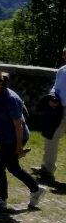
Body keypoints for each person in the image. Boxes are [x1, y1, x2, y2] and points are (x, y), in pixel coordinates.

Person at [0, 69, 46, 210]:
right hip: (3, 136)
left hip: (16, 137)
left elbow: (18, 125)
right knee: (13, 167)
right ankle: (36, 189)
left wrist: (19, 147)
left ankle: (1, 200)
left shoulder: (11, 99)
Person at [38, 46, 66, 181]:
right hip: (59, 109)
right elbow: (55, 87)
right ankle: (47, 167)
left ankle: (47, 168)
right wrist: (52, 97)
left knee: (53, 135)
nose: (64, 57)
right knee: (51, 135)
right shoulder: (62, 70)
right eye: (64, 55)